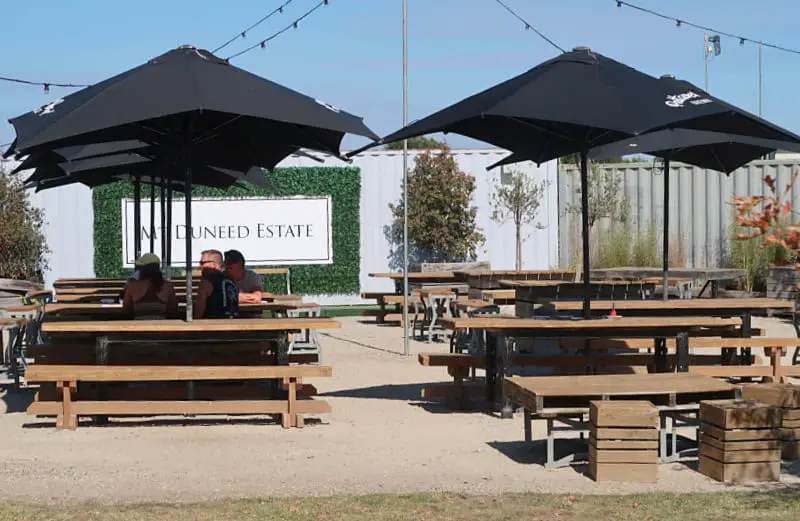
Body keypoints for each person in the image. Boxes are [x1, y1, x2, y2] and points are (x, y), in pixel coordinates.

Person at [122, 253, 178, 319]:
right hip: (162, 326)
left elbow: (126, 309)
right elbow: (173, 308)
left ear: (143, 269)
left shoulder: (132, 285)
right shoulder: (168, 286)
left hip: (138, 326)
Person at [194, 249, 239, 319]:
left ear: (214, 264)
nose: (200, 266)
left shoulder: (206, 283)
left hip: (212, 325)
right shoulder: (231, 281)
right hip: (234, 323)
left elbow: (198, 313)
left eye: (202, 263)